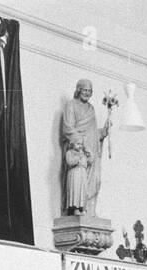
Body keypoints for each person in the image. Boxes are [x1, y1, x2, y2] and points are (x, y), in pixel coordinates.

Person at [61, 79, 111, 215]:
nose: (87, 93)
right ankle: (76, 208)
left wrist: (103, 132)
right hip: (79, 151)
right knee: (77, 183)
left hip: (90, 153)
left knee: (95, 181)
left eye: (89, 91)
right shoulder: (71, 105)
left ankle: (87, 209)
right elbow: (68, 128)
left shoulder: (91, 109)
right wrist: (81, 143)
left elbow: (92, 132)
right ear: (78, 90)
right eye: (84, 90)